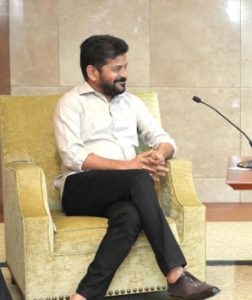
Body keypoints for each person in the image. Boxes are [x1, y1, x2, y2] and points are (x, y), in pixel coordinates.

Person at [53, 35, 220, 300]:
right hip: (80, 188)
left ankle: (82, 296)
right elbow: (73, 156)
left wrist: (158, 156)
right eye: (117, 69)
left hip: (122, 191)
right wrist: (129, 166)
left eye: (125, 67)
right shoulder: (71, 103)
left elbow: (165, 140)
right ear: (92, 72)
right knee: (138, 179)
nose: (125, 74)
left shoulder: (131, 102)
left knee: (129, 217)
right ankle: (176, 275)